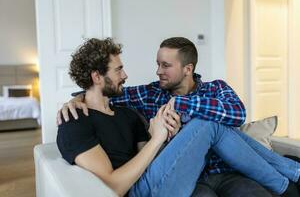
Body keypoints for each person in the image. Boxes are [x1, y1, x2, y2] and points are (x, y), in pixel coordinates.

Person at [57, 37, 299, 197]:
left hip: (225, 171)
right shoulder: (147, 93)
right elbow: (101, 94)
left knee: (210, 124)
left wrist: (176, 110)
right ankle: (292, 173)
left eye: (165, 65)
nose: (158, 71)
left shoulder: (216, 88)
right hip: (179, 180)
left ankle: (290, 178)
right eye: (157, 64)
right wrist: (76, 99)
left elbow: (237, 114)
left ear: (188, 69)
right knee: (206, 122)